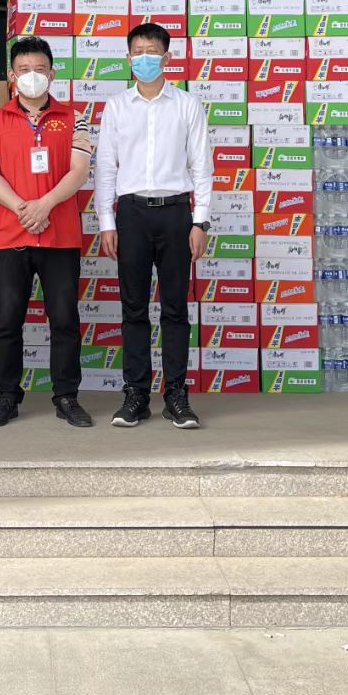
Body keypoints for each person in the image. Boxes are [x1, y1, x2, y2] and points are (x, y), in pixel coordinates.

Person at [94, 22, 212, 429]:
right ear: (128, 58)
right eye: (137, 52)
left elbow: (202, 168)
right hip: (131, 215)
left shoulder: (187, 105)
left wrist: (200, 221)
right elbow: (106, 168)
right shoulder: (116, 107)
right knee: (134, 309)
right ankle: (136, 395)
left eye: (152, 51)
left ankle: (176, 395)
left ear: (167, 57)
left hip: (176, 214)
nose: (144, 58)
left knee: (175, 309)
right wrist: (107, 221)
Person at [0, 37, 94, 428]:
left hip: (60, 234)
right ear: (12, 75)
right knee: (7, 321)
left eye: (40, 69)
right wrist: (23, 209)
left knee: (64, 319)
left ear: (52, 73)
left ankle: (66, 397)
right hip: (10, 235)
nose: (32, 76)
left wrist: (44, 205)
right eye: (24, 70)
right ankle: (7, 397)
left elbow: (79, 171)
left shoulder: (74, 118)